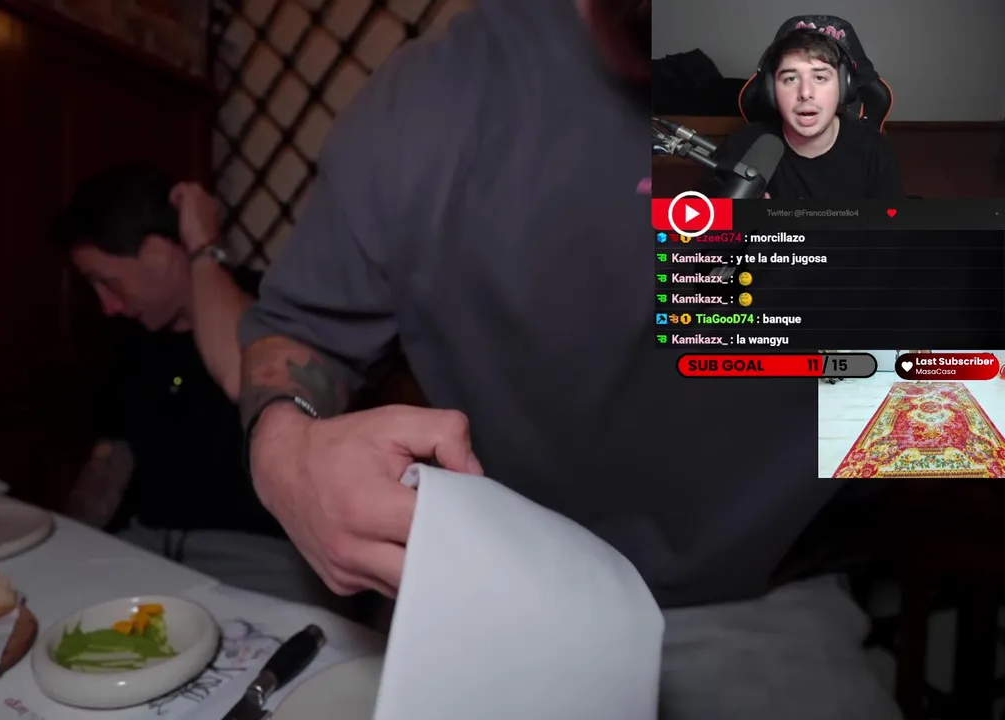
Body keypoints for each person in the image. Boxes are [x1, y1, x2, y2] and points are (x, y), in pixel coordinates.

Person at [236, 1, 902, 719]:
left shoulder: (896, 101)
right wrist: (284, 453)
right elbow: (298, 335)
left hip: (758, 606)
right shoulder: (437, 93)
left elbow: (944, 398)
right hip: (493, 583)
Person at [52, 164, 342, 611]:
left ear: (157, 254)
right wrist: (62, 544)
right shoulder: (132, 337)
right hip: (149, 546)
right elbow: (111, 459)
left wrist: (204, 249)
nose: (106, 306)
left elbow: (246, 375)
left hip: (261, 554)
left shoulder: (269, 304)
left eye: (106, 283)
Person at [715, 27, 906, 199]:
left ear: (843, 87)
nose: (805, 93)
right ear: (771, 91)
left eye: (820, 77)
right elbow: (700, 220)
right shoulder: (742, 145)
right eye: (791, 79)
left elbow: (892, 222)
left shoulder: (873, 148)